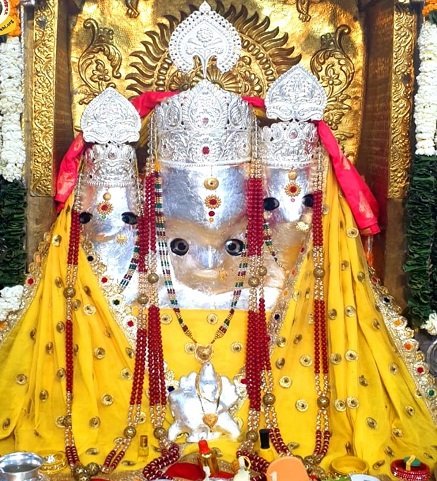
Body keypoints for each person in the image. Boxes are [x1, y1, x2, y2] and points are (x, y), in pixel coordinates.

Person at [0, 3, 435, 480]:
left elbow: (291, 225)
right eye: (181, 242)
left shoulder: (301, 252)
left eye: (233, 242)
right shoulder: (112, 255)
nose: (209, 261)